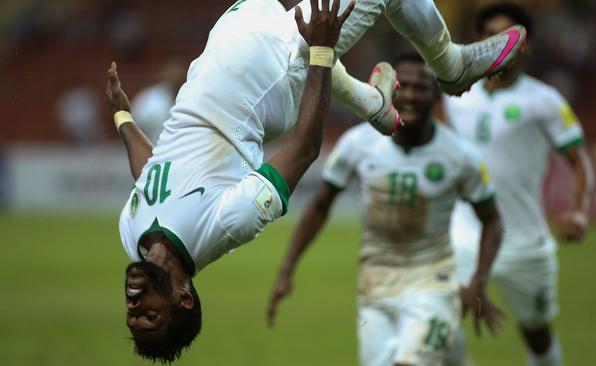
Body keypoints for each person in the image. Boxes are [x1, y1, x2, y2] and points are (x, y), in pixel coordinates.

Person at [110, 0, 525, 362]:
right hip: (271, 74)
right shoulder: (223, 226)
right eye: (149, 314)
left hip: (226, 45)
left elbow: (149, 170)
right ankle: (451, 66)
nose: (134, 304)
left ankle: (373, 103)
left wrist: (124, 118)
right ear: (183, 298)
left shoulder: (131, 233)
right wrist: (321, 52)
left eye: (132, 315)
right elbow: (305, 148)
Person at [267, 52, 504, 366]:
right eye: (402, 86)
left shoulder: (461, 156)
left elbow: (492, 222)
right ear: (388, 89)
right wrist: (286, 270)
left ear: (436, 94)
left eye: (421, 87)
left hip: (433, 282)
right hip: (374, 287)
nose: (409, 95)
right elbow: (321, 205)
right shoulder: (357, 144)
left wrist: (478, 282)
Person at [442, 4, 595, 366]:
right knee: (440, 326)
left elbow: (580, 162)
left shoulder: (544, 101)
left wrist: (579, 210)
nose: (496, 41)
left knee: (538, 336)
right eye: (488, 33)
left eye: (506, 33)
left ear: (524, 45)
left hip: (524, 240)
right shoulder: (458, 95)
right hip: (464, 236)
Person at [130, 58, 186, 144]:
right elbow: (134, 124)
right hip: (152, 148)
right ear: (164, 73)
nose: (175, 77)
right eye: (171, 73)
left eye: (178, 75)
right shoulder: (149, 98)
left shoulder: (189, 97)